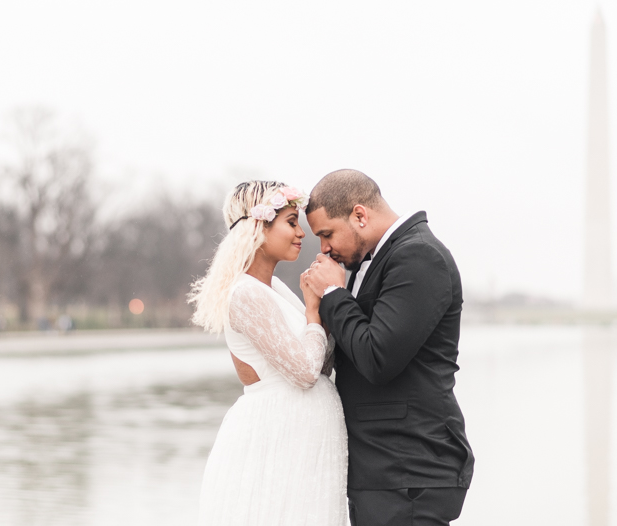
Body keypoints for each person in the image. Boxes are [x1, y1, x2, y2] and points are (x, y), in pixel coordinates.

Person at [303, 169, 474, 526]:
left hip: (410, 470)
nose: (324, 248)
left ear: (360, 215)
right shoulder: (378, 259)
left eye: (327, 234)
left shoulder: (419, 257)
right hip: (386, 472)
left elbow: (378, 357)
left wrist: (335, 294)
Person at [189, 181, 349, 526]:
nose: (301, 233)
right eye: (291, 222)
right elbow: (305, 371)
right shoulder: (245, 294)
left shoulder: (273, 288)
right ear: (259, 227)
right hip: (276, 435)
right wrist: (311, 313)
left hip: (301, 440)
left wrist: (331, 302)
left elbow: (320, 363)